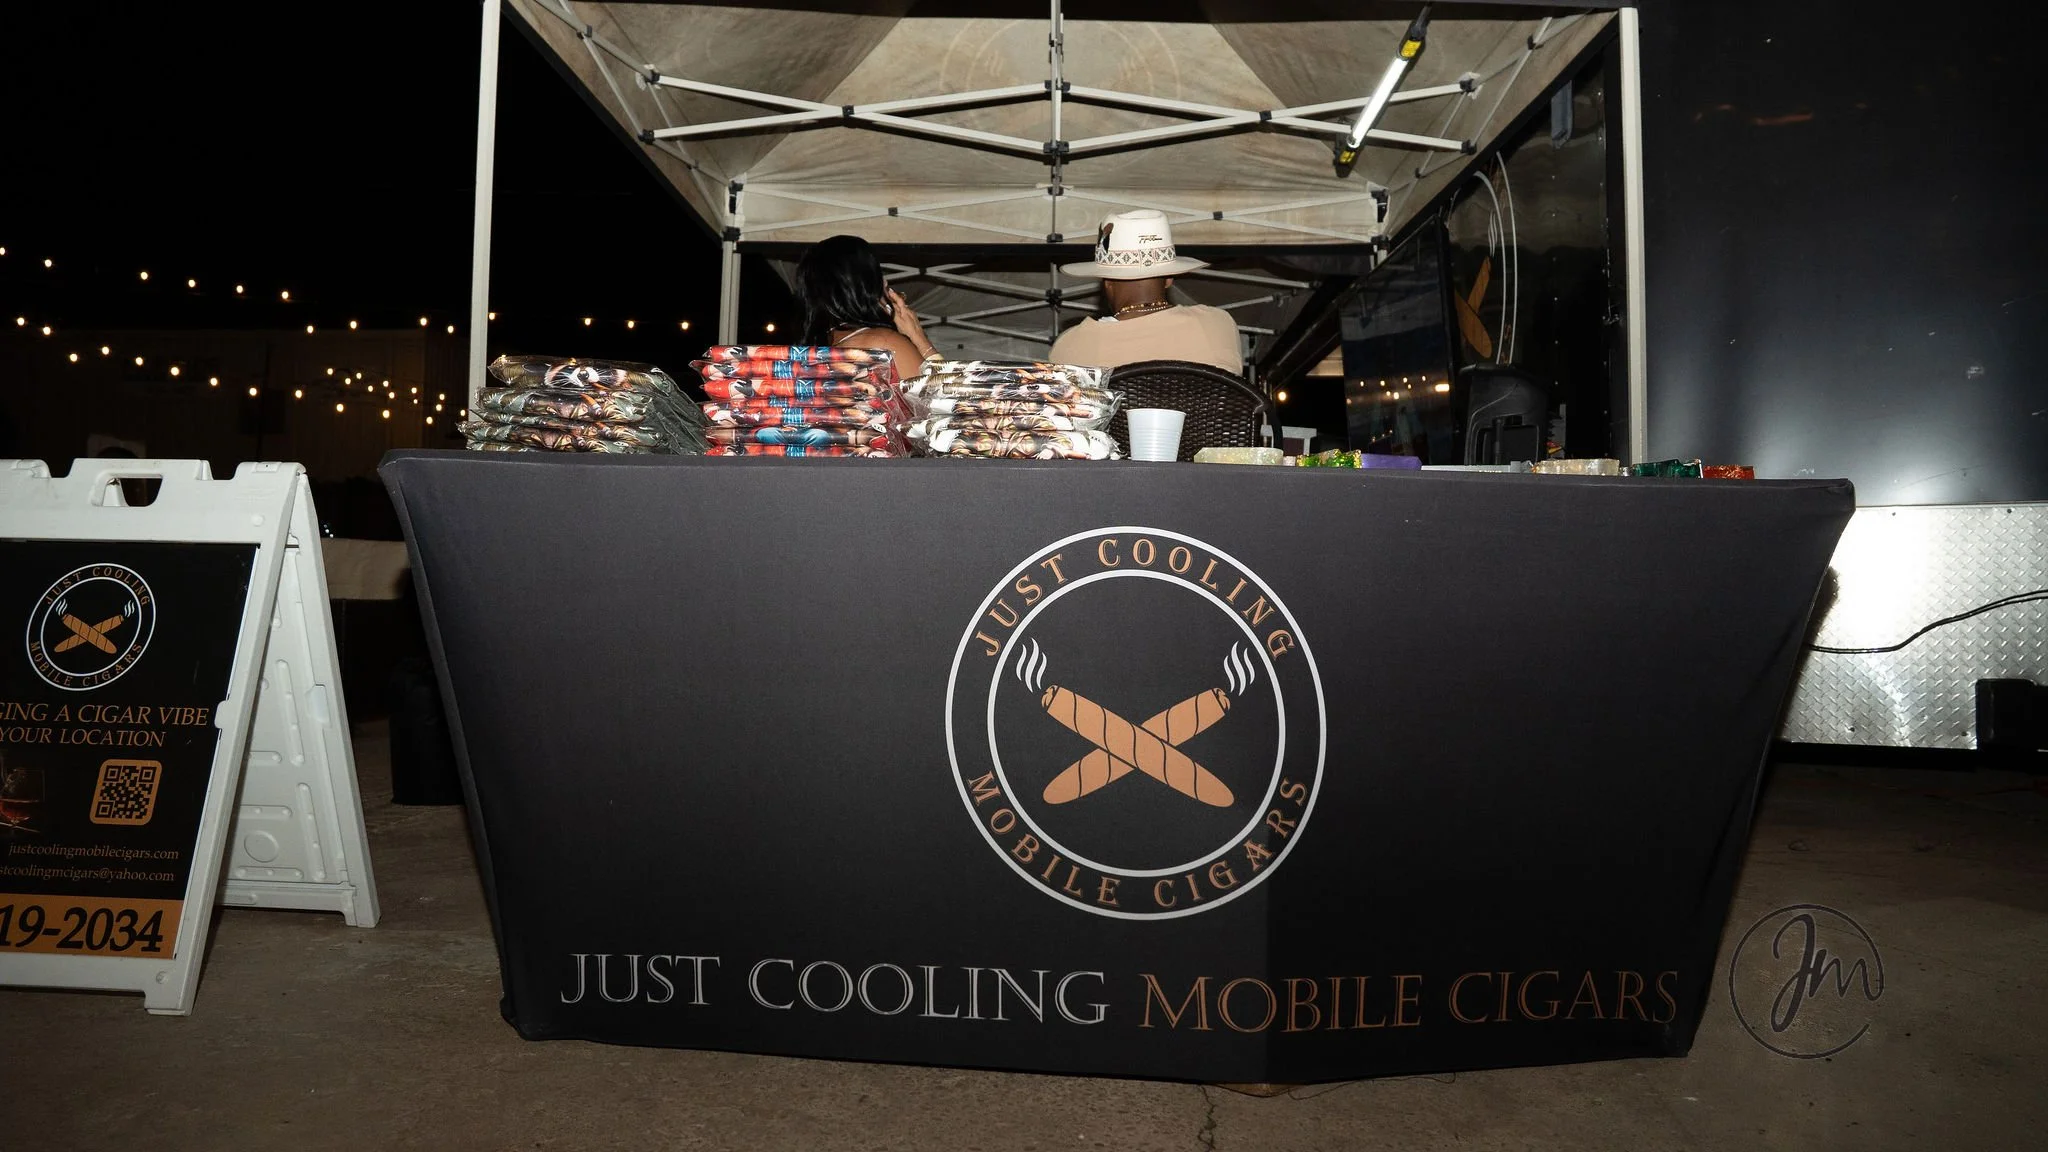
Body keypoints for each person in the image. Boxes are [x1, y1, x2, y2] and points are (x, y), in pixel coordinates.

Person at [1049, 209, 1243, 374]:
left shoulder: (1071, 346)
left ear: (1107, 283)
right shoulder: (1217, 323)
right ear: (1169, 279)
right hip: (1207, 420)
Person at [793, 235, 937, 374]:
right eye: (878, 274)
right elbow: (944, 396)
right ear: (864, 285)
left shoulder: (812, 356)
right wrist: (921, 340)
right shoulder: (886, 345)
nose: (885, 282)